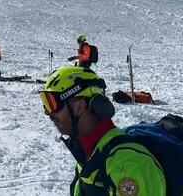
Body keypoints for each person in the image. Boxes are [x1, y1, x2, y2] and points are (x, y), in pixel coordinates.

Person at [39, 66, 166, 195]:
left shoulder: (129, 164)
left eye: (52, 104)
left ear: (79, 106)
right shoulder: (89, 153)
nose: (49, 114)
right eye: (46, 104)